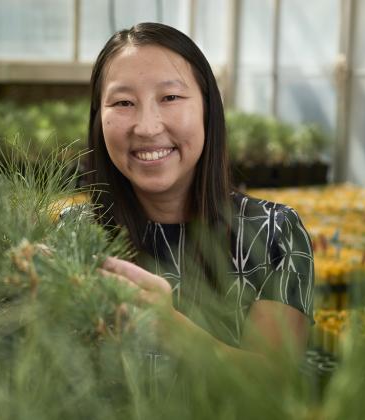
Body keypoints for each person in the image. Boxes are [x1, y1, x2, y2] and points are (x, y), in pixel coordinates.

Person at [86, 22, 314, 363]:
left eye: (170, 97)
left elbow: (273, 388)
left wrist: (171, 329)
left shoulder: (273, 234)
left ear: (208, 109)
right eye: (123, 102)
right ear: (97, 118)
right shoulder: (75, 237)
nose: (147, 127)